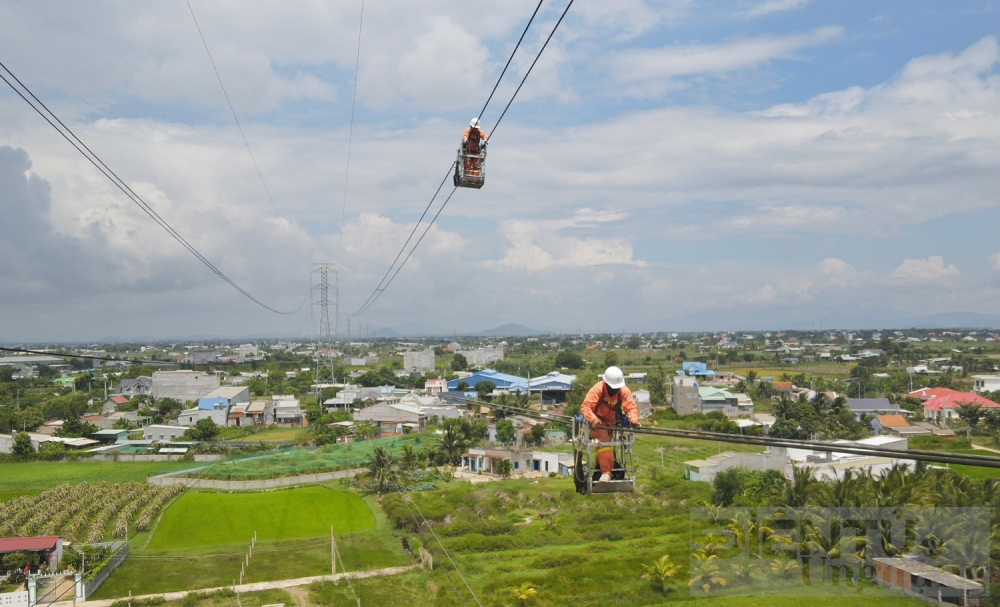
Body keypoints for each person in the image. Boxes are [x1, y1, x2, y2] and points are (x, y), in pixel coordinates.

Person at [581, 366, 640, 482]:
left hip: (611, 422)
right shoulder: (598, 389)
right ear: (606, 383)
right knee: (603, 441)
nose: (615, 390)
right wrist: (593, 419)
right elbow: (586, 407)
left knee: (604, 446)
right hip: (597, 421)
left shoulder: (623, 391)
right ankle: (607, 472)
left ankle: (598, 470)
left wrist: (634, 420)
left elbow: (631, 407)